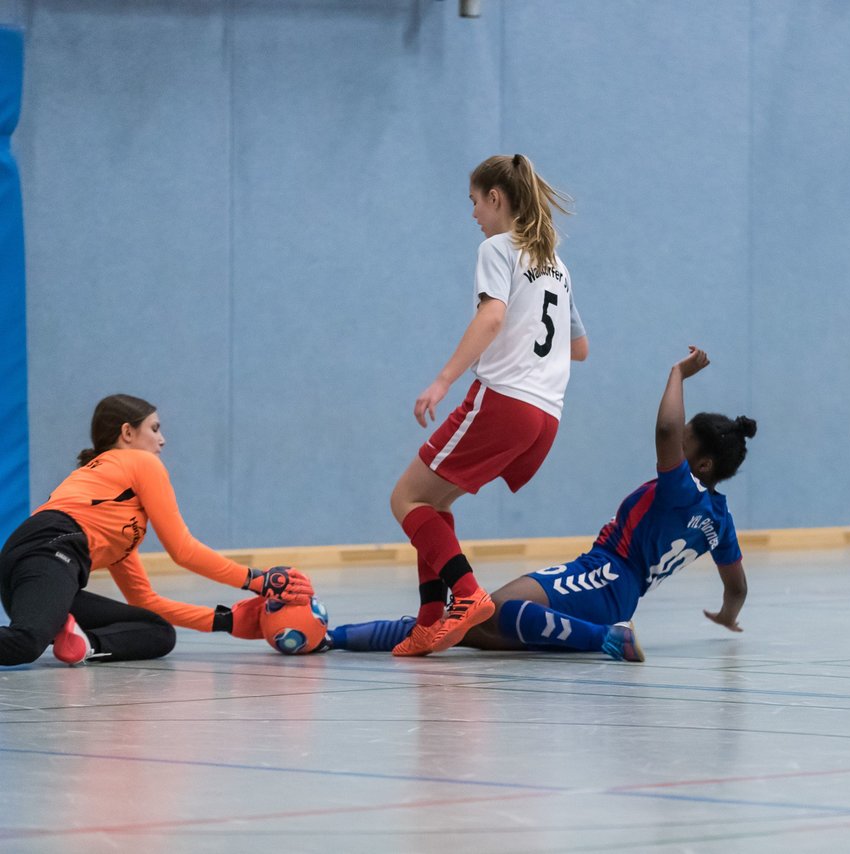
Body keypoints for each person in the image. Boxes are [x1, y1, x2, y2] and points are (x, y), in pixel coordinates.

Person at [333, 347, 752, 662]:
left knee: (480, 614)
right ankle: (335, 637)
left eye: (686, 441)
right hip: (616, 588)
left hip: (603, 575)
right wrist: (725, 614)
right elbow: (737, 587)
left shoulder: (681, 487)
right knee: (466, 627)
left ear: (704, 463)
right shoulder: (720, 518)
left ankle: (606, 638)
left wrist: (677, 374)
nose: (677, 443)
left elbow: (664, 427)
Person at [388, 153, 588, 657]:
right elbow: (579, 347)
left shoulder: (499, 248)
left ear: (496, 198)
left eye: (475, 202)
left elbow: (492, 317)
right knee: (435, 504)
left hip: (504, 400)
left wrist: (442, 381)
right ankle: (430, 623)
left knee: (405, 500)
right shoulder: (557, 267)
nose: (473, 214)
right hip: (546, 417)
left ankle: (468, 595)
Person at [0, 394, 314, 666]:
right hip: (52, 547)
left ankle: (84, 644)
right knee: (26, 643)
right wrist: (256, 580)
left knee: (157, 631)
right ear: (127, 432)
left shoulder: (115, 519)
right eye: (154, 428)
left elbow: (144, 600)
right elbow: (182, 550)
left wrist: (225, 621)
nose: (162, 439)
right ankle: (46, 629)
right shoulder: (139, 462)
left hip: (43, 560)